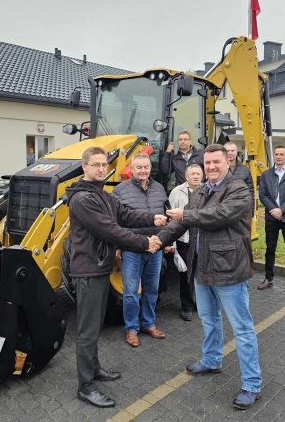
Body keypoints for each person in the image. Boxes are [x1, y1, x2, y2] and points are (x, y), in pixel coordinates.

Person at [156, 143, 262, 410]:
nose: (211, 167)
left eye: (216, 162)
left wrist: (186, 214)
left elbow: (219, 216)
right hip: (202, 267)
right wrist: (156, 240)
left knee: (242, 328)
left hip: (229, 268)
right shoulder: (201, 190)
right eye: (208, 163)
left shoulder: (238, 189)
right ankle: (212, 360)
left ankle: (252, 384)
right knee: (209, 319)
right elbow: (182, 223)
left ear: (227, 162)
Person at [66, 146, 165, 408]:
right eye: (95, 164)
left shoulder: (102, 194)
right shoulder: (82, 199)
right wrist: (145, 242)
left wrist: (152, 218)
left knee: (96, 325)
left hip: (100, 267)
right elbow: (110, 230)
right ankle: (86, 387)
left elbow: (124, 214)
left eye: (104, 165)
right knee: (87, 331)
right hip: (88, 270)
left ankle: (94, 368)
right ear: (84, 166)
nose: (101, 169)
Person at [112, 153, 169, 348]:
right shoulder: (120, 191)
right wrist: (117, 245)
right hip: (132, 248)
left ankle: (148, 324)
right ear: (132, 169)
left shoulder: (159, 188)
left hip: (155, 248)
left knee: (152, 289)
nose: (143, 171)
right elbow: (114, 222)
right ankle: (131, 328)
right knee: (130, 292)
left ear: (150, 168)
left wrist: (166, 240)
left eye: (146, 167)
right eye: (139, 167)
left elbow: (167, 217)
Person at [257, 146, 285, 295]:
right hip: (271, 217)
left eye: (281, 154)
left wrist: (281, 209)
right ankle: (268, 278)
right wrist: (274, 210)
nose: (278, 156)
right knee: (270, 249)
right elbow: (262, 195)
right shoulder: (266, 174)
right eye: (276, 154)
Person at [167, 163, 203, 321]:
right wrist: (171, 242)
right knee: (186, 275)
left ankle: (201, 304)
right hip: (185, 240)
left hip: (202, 240)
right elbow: (170, 216)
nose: (195, 176)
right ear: (186, 176)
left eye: (198, 174)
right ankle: (187, 306)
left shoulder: (208, 191)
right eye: (192, 174)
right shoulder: (177, 191)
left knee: (202, 274)